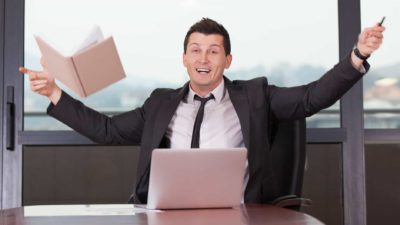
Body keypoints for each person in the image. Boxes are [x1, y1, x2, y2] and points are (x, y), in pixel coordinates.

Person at [20, 18, 385, 204]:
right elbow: (107, 130)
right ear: (184, 59)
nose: (203, 58)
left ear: (227, 60)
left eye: (213, 51)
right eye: (195, 50)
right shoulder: (160, 103)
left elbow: (311, 98)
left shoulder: (255, 96)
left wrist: (358, 55)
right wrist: (54, 93)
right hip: (166, 215)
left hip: (236, 213)